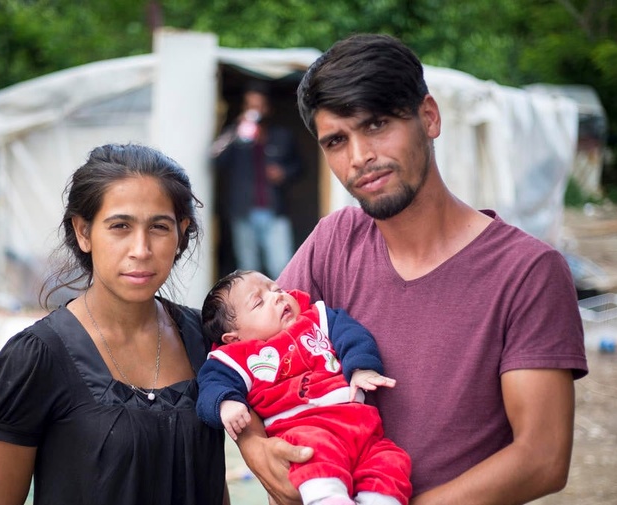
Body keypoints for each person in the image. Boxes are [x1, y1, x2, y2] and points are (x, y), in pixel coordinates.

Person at [236, 34, 590, 505]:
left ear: (429, 117)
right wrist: (256, 448)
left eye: (377, 124)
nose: (359, 156)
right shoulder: (334, 241)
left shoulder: (527, 272)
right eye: (337, 140)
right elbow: (248, 351)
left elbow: (542, 458)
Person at [0, 143, 228, 505]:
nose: (141, 249)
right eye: (120, 226)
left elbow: (211, 480)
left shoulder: (203, 338)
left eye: (159, 226)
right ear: (83, 232)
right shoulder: (38, 357)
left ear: (181, 232)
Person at [197, 269, 412, 505]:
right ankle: (328, 498)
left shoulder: (316, 318)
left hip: (360, 424)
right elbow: (210, 385)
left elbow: (351, 335)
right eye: (259, 302)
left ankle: (378, 499)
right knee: (313, 454)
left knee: (389, 459)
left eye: (276, 289)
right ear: (234, 338)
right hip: (303, 427)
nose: (277, 296)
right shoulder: (235, 356)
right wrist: (226, 403)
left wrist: (361, 367)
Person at [211, 81, 303, 278]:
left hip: (275, 211)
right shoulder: (236, 137)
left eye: (259, 105)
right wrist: (236, 128)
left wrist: (283, 173)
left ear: (267, 108)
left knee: (282, 266)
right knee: (248, 269)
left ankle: (285, 307)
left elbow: (300, 167)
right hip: (243, 211)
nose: (255, 110)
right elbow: (215, 160)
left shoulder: (281, 136)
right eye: (250, 106)